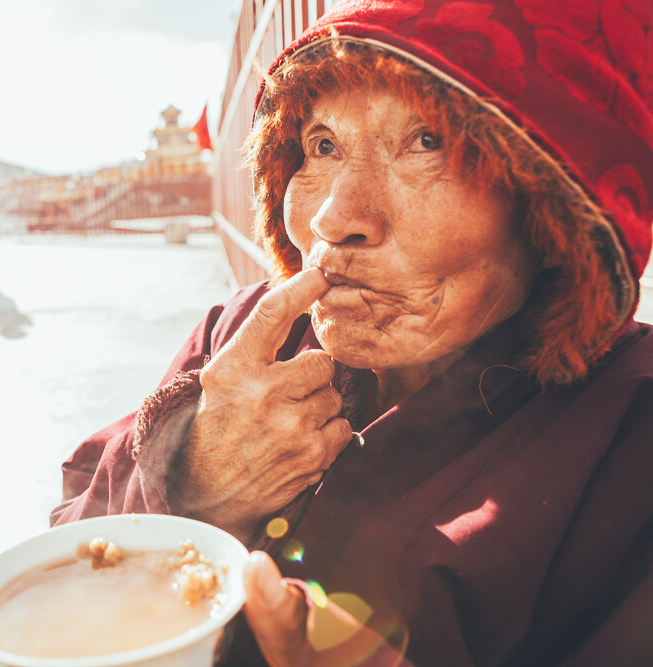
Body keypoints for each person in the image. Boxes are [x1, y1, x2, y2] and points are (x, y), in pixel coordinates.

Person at [50, 1, 653, 665]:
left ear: (552, 199)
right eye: (322, 145)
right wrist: (189, 475)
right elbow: (68, 550)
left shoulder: (629, 427)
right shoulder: (241, 335)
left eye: (427, 141)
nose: (334, 218)